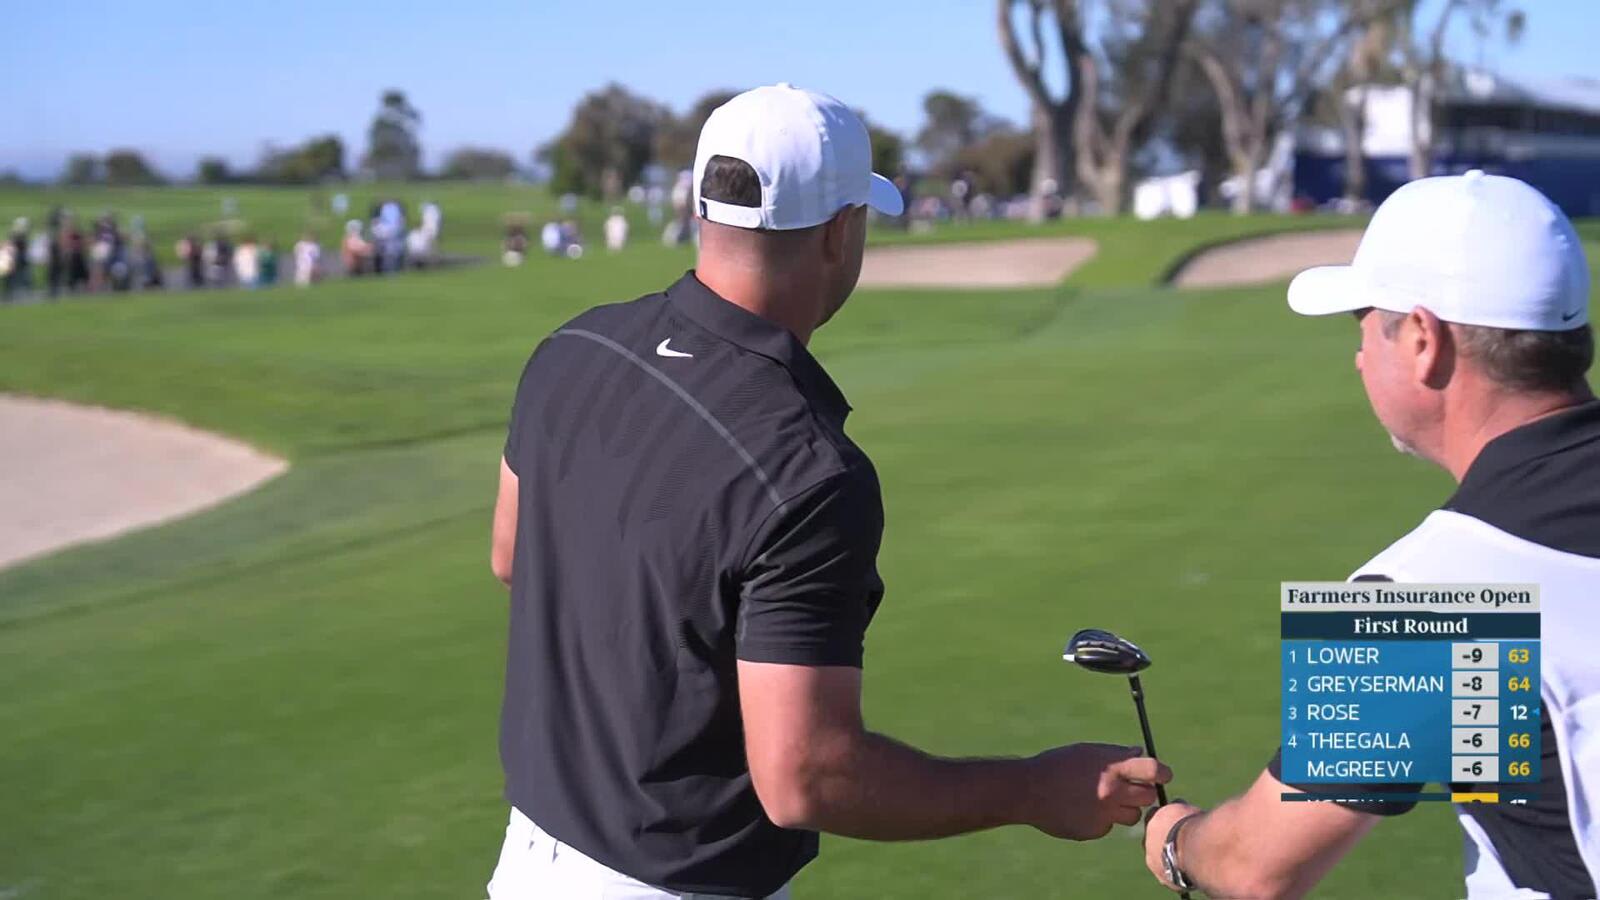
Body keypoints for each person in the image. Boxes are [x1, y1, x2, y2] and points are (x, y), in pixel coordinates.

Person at [485, 83, 1171, 899]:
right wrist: (1032, 789)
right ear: (841, 232)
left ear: (704, 208)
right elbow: (806, 777)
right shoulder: (808, 471)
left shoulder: (574, 346)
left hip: (526, 863)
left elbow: (510, 556)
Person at [1140, 171, 1598, 899]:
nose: (1357, 356)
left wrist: (1175, 839)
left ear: (1422, 339)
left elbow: (1259, 867)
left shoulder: (1432, 601)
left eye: (1363, 323)